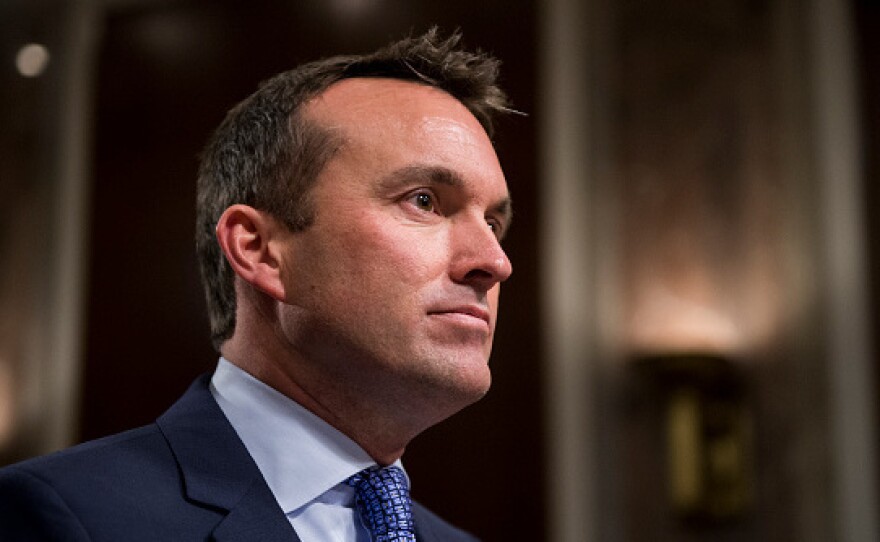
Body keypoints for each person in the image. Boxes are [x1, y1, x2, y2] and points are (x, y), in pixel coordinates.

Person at [0, 28, 513, 541]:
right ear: (259, 250)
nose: (494, 262)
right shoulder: (63, 516)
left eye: (493, 223)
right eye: (423, 200)